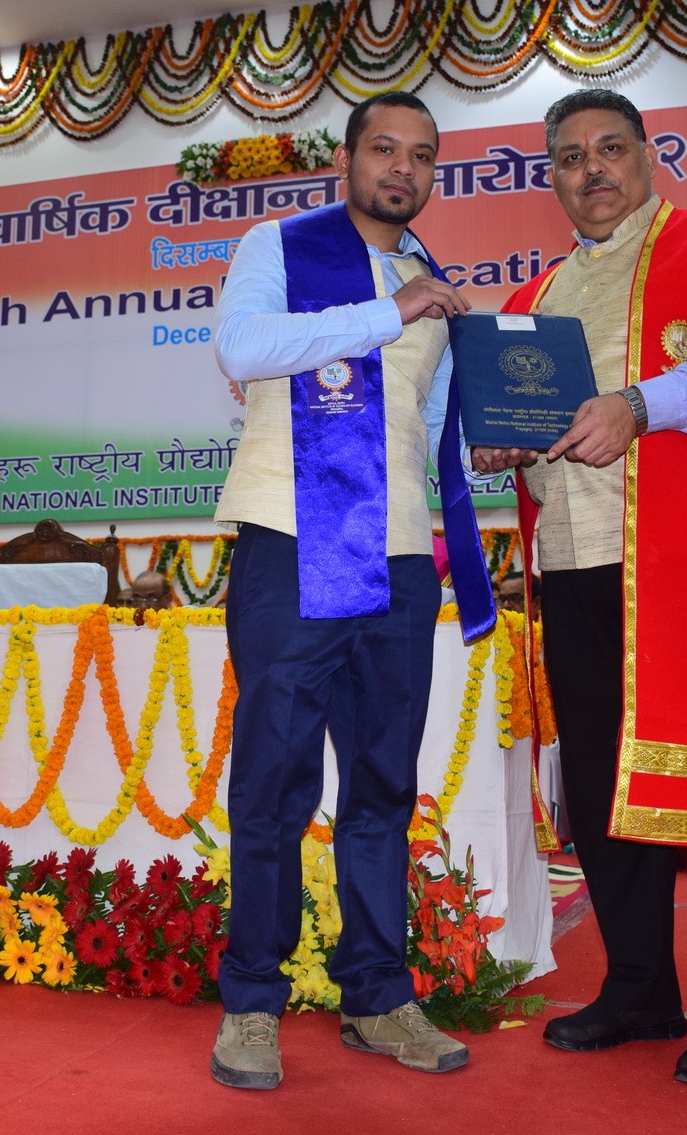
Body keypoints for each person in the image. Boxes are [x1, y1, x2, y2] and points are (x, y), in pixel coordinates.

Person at [472, 88, 687, 1087]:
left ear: (649, 156)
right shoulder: (532, 300)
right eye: (570, 158)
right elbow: (523, 424)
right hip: (576, 563)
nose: (592, 170)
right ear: (553, 179)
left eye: (609, 148)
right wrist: (502, 444)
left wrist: (640, 404)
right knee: (604, 785)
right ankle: (640, 989)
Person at [208, 89, 494, 1090]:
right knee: (274, 785)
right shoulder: (281, 245)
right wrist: (387, 313)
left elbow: (432, 422)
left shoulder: (429, 280)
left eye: (422, 155)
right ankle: (252, 1002)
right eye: (385, 148)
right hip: (292, 545)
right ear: (348, 158)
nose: (402, 168)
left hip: (402, 557)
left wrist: (495, 439)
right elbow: (243, 349)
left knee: (381, 787)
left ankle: (377, 997)